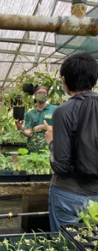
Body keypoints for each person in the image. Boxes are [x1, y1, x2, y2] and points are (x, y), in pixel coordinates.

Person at [44, 52, 98, 232]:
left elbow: (61, 165)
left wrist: (51, 142)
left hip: (69, 194)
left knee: (66, 249)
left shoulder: (63, 111)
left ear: (64, 80)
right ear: (95, 78)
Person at [15, 86, 56, 152]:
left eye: (44, 93)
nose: (42, 94)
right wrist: (20, 129)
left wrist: (43, 127)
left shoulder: (55, 110)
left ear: (47, 96)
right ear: (35, 95)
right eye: (39, 92)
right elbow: (29, 133)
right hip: (33, 150)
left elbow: (61, 128)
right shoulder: (29, 114)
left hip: (50, 149)